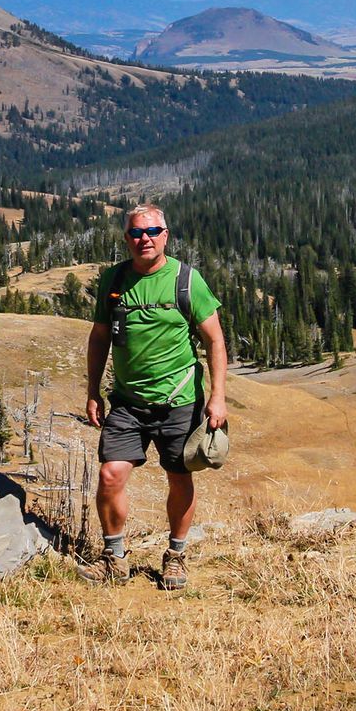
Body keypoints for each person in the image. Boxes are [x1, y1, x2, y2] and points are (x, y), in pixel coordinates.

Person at [81, 203, 228, 590]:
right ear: (126, 238)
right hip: (127, 402)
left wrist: (217, 397)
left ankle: (176, 555)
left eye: (151, 232)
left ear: (165, 235)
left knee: (179, 478)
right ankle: (114, 558)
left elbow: (214, 340)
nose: (143, 239)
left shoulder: (186, 280)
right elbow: (99, 337)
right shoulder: (114, 280)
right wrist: (93, 391)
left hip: (179, 402)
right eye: (135, 232)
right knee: (110, 475)